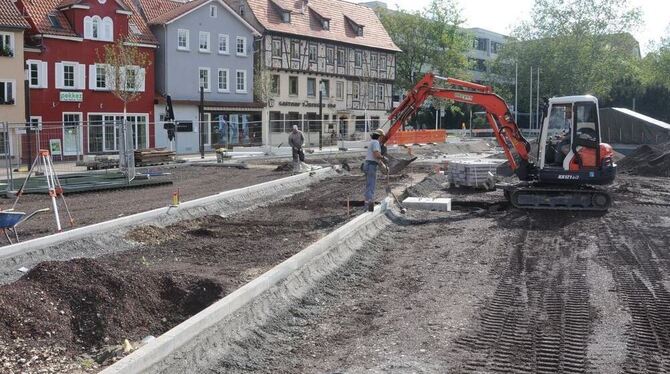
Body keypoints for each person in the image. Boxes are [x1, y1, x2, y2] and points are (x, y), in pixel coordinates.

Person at [363, 128, 388, 212]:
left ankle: (367, 203)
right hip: (371, 166)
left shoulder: (372, 142)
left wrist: (382, 164)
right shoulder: (376, 142)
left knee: (369, 185)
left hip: (368, 164)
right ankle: (369, 206)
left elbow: (375, 157)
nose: (382, 139)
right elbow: (376, 154)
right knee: (371, 185)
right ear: (380, 136)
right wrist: (384, 158)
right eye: (382, 137)